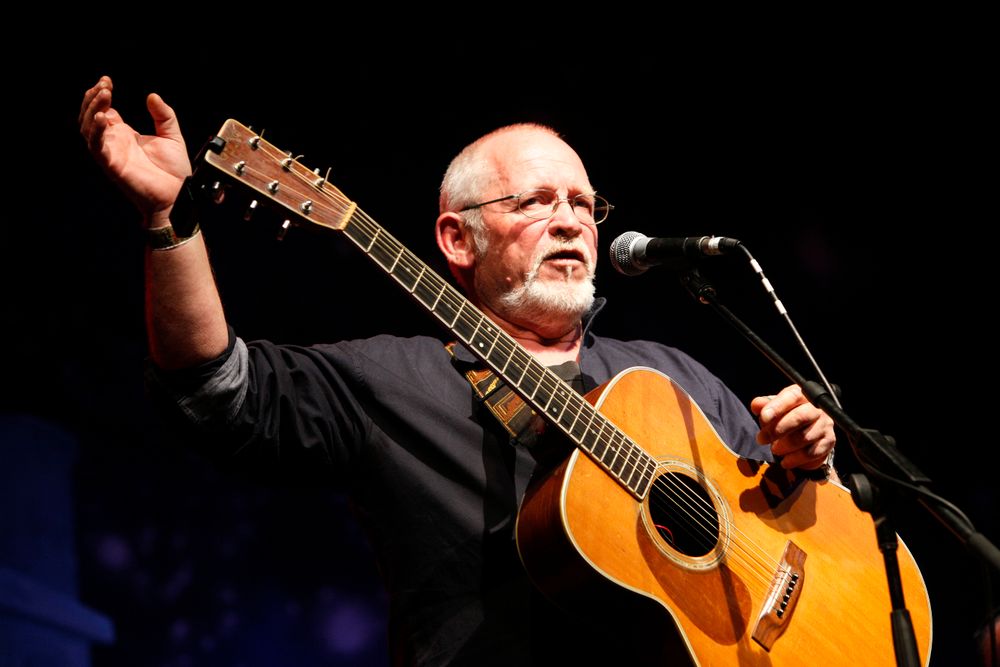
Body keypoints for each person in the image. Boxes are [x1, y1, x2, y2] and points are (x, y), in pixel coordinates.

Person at [79, 75, 836, 666]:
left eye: (582, 203)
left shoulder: (669, 379)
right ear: (457, 238)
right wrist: (168, 221)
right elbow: (213, 389)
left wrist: (810, 468)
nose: (571, 219)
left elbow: (789, 522)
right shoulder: (390, 380)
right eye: (537, 201)